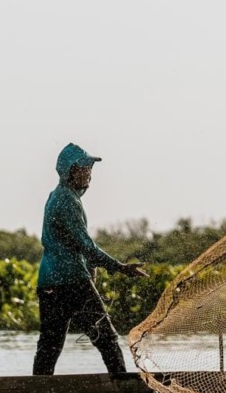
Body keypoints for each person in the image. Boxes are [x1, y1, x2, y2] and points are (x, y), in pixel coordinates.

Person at [32, 143, 147, 376]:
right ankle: (124, 392)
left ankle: (38, 392)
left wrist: (92, 268)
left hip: (49, 282)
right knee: (107, 338)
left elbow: (73, 243)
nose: (90, 175)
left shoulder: (57, 196)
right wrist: (121, 268)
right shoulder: (67, 201)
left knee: (49, 345)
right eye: (86, 168)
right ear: (73, 170)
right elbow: (87, 246)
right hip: (71, 281)